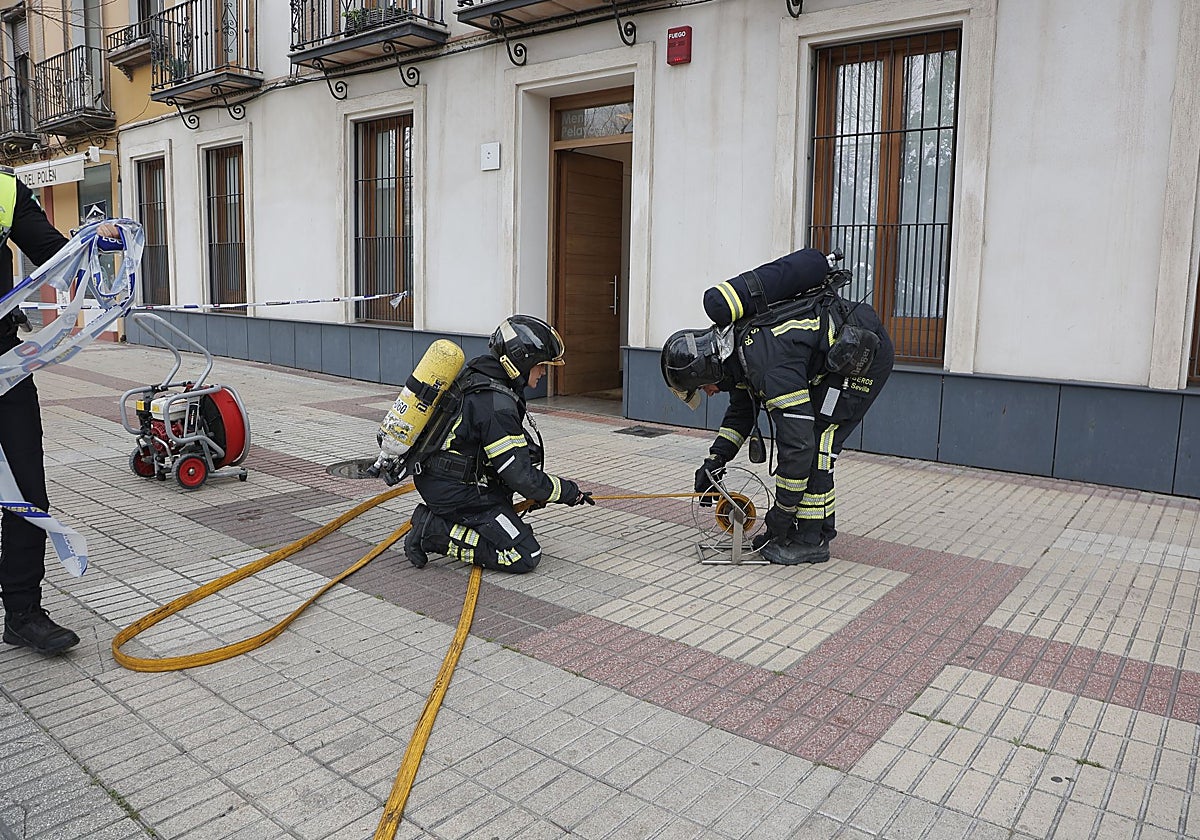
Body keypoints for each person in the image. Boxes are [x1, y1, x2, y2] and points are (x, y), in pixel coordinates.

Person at [660, 253, 895, 565]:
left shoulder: (768, 365)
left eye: (702, 387)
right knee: (811, 443)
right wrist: (715, 460)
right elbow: (741, 414)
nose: (708, 393)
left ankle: (811, 541)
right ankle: (813, 527)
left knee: (818, 444)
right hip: (835, 359)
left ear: (704, 372)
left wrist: (781, 513)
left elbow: (796, 445)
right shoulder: (737, 351)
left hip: (861, 358)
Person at [1, 167, 123, 653]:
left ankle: (23, 612)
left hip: (5, 369)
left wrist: (93, 240)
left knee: (28, 490)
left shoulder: (4, 188)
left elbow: (53, 252)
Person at [404, 314, 595, 573]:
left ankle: (452, 522)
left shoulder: (481, 375)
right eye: (541, 366)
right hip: (456, 491)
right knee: (524, 554)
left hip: (451, 481)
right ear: (521, 362)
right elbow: (522, 477)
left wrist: (535, 491)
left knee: (512, 517)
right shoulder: (495, 404)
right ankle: (432, 531)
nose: (543, 374)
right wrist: (568, 492)